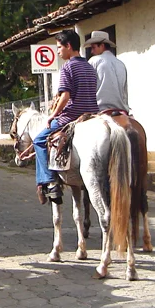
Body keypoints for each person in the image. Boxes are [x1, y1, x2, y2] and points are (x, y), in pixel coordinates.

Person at [28, 30, 99, 204]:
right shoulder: (90, 66)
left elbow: (65, 97)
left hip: (72, 116)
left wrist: (53, 115)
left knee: (38, 140)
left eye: (59, 47)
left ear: (68, 46)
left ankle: (50, 182)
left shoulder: (68, 67)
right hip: (92, 114)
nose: (58, 51)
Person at [85, 31, 130, 113]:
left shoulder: (94, 61)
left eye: (93, 47)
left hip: (100, 109)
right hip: (122, 110)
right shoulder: (121, 64)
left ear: (102, 46)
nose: (92, 51)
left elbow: (87, 87)